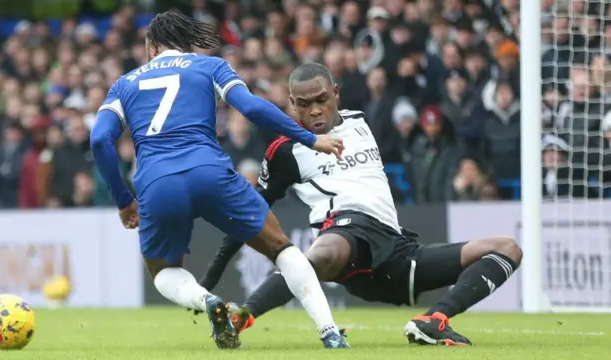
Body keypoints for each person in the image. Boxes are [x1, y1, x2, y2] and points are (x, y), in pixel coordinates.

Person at [197, 63, 523, 346]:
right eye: (305, 104)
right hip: (345, 231)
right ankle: (243, 316)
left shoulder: (360, 121)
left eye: (322, 100)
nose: (315, 111)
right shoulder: (285, 150)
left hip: (397, 251)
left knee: (507, 248)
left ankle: (434, 319)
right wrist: (214, 271)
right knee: (323, 253)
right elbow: (250, 211)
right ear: (292, 104)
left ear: (335, 93)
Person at [90, 12, 349, 350]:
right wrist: (311, 139)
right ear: (186, 43)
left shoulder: (124, 83)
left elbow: (99, 141)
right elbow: (252, 108)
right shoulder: (209, 65)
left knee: (162, 271)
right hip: (210, 171)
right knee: (280, 247)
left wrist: (124, 200)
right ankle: (329, 332)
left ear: (151, 47)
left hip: (157, 182)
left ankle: (207, 300)